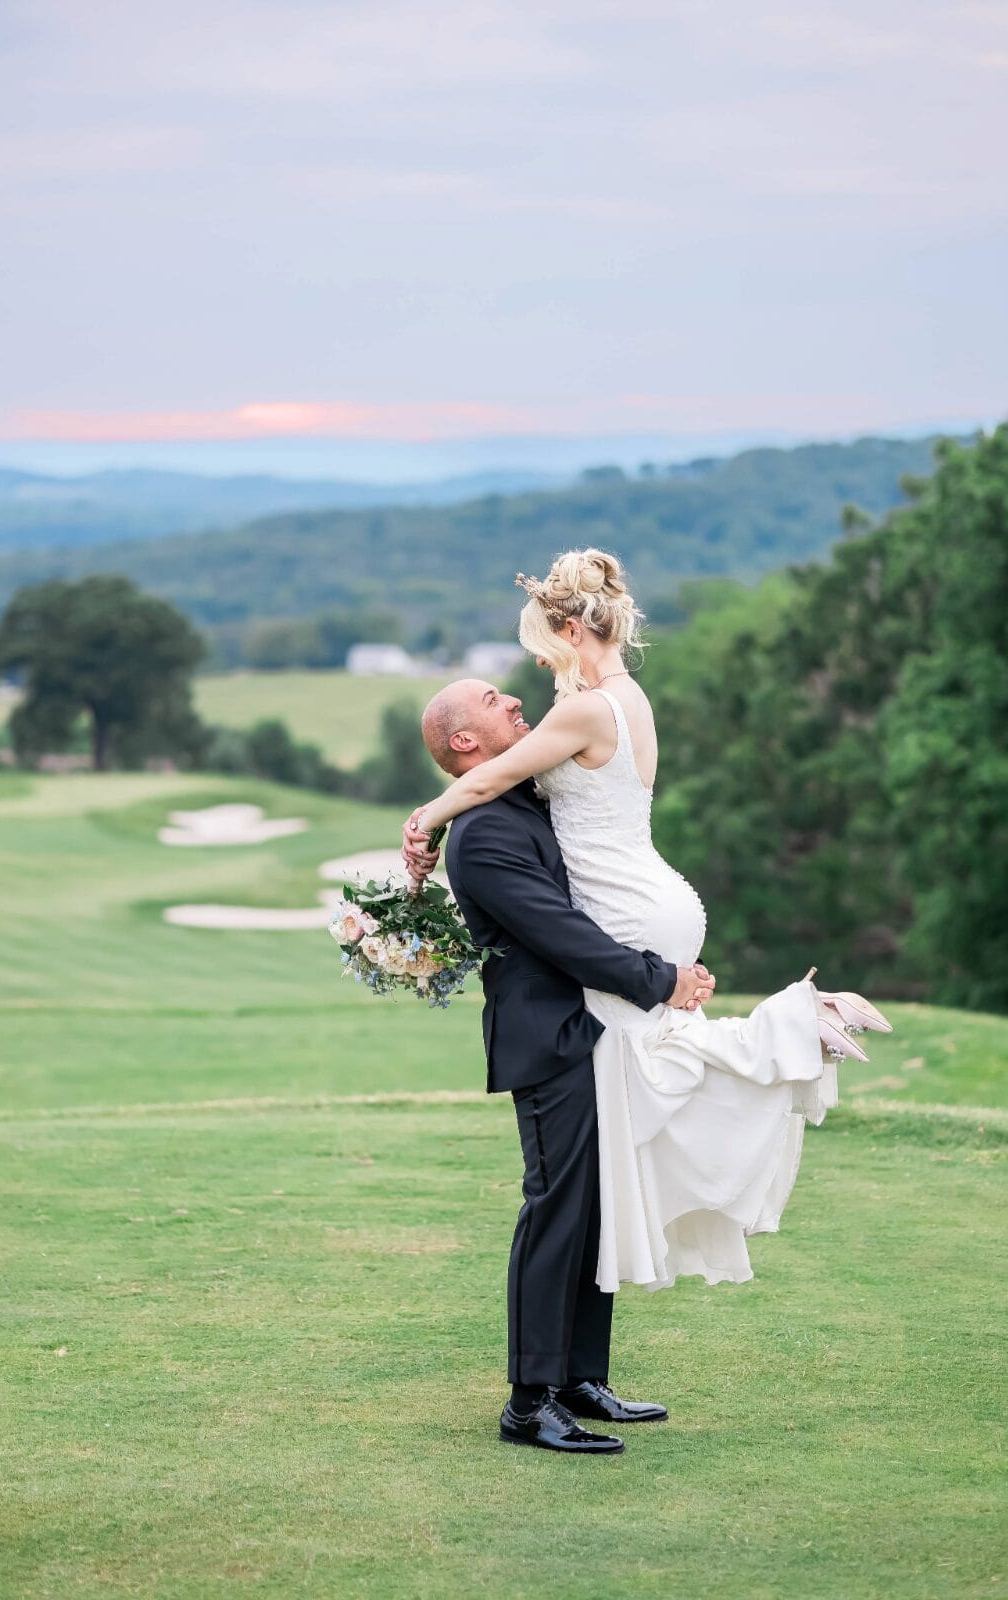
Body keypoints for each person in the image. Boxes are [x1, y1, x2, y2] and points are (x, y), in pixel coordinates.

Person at [403, 548, 892, 1452]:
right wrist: (657, 975)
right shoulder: (480, 832)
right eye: (494, 705)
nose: (517, 700)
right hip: (553, 1035)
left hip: (596, 1019)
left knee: (598, 1201)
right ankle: (528, 1401)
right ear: (464, 746)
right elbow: (561, 934)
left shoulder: (529, 788)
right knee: (557, 1206)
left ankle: (582, 1377)